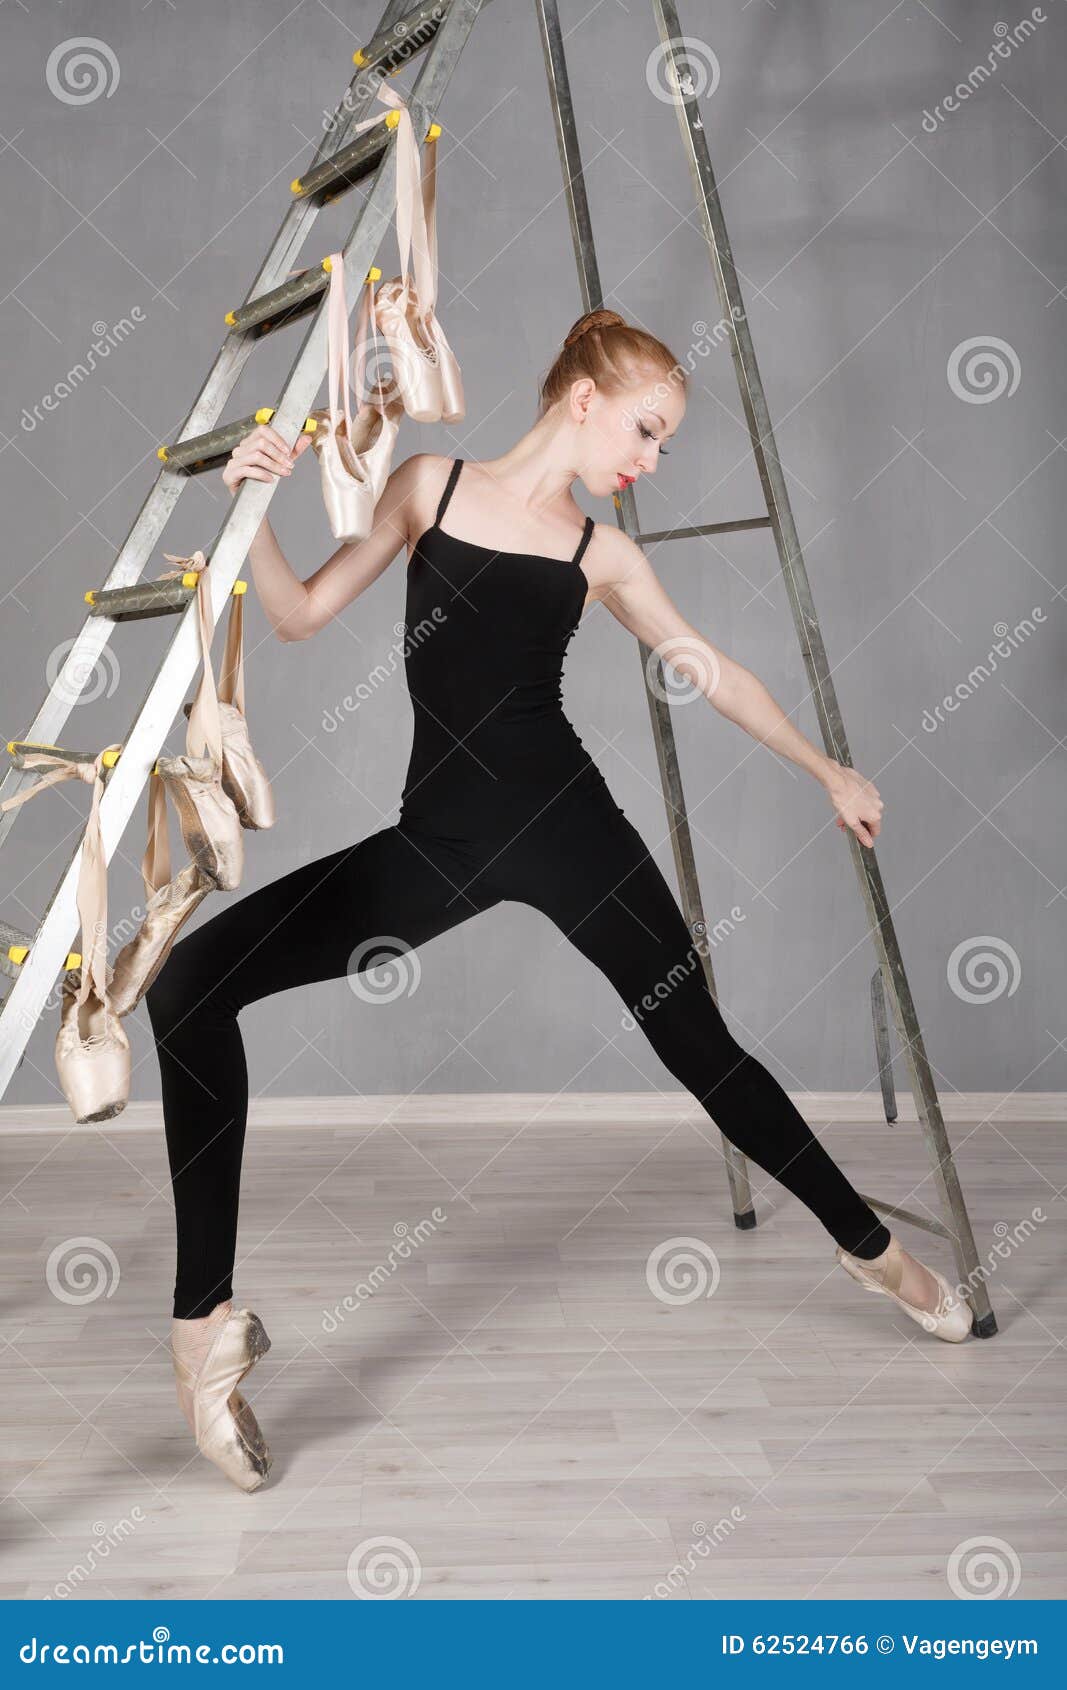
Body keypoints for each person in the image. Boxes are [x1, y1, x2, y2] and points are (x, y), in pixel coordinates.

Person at [148, 309, 970, 1493]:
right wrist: (247, 505)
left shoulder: (602, 556)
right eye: (645, 430)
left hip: (569, 832)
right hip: (436, 845)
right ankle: (201, 1327)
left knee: (704, 1051)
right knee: (185, 985)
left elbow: (712, 670)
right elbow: (294, 612)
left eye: (663, 446)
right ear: (581, 395)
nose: (647, 461)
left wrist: (823, 766)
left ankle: (872, 1249)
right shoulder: (427, 485)